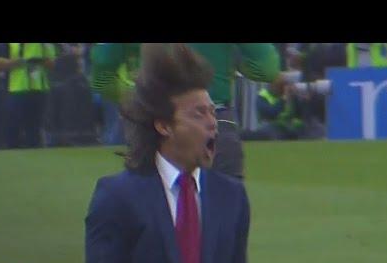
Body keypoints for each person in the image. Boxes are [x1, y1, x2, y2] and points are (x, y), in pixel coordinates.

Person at [81, 44, 269, 263]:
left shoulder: (230, 198)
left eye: (212, 111)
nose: (212, 122)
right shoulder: (117, 196)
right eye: (198, 115)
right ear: (164, 125)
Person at [90, 43, 283, 179]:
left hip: (157, 123)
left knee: (155, 219)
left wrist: (141, 97)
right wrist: (232, 66)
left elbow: (102, 77)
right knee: (224, 217)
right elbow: (266, 68)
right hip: (214, 119)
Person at [0, 43, 56, 149]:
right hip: (17, 90)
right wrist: (20, 62)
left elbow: (52, 64)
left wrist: (39, 61)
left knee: (34, 133)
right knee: (12, 132)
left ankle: (36, 159)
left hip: (39, 90)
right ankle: (12, 158)